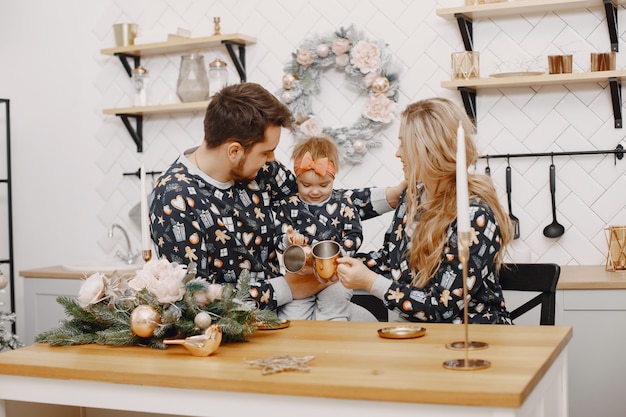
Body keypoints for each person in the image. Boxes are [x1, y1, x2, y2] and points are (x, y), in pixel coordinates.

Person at [149, 82, 403, 314]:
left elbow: (318, 200)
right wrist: (288, 288)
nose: (272, 160)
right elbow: (193, 296)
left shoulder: (262, 170)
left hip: (283, 314)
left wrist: (391, 197)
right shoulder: (175, 198)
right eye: (267, 152)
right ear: (235, 151)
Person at [336, 97, 513, 324]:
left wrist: (369, 282)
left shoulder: (476, 215)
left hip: (473, 343)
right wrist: (339, 263)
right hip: (420, 338)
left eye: (404, 144)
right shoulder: (413, 198)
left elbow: (442, 307)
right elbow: (390, 262)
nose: (397, 154)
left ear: (429, 150)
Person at [274, 135, 362, 321]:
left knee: (334, 315)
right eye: (306, 185)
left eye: (323, 185)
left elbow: (354, 234)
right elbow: (277, 238)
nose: (315, 191)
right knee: (292, 320)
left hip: (334, 277)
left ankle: (331, 348)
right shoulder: (289, 205)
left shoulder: (343, 202)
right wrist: (288, 238)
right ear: (296, 179)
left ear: (333, 177)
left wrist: (342, 255)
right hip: (299, 277)